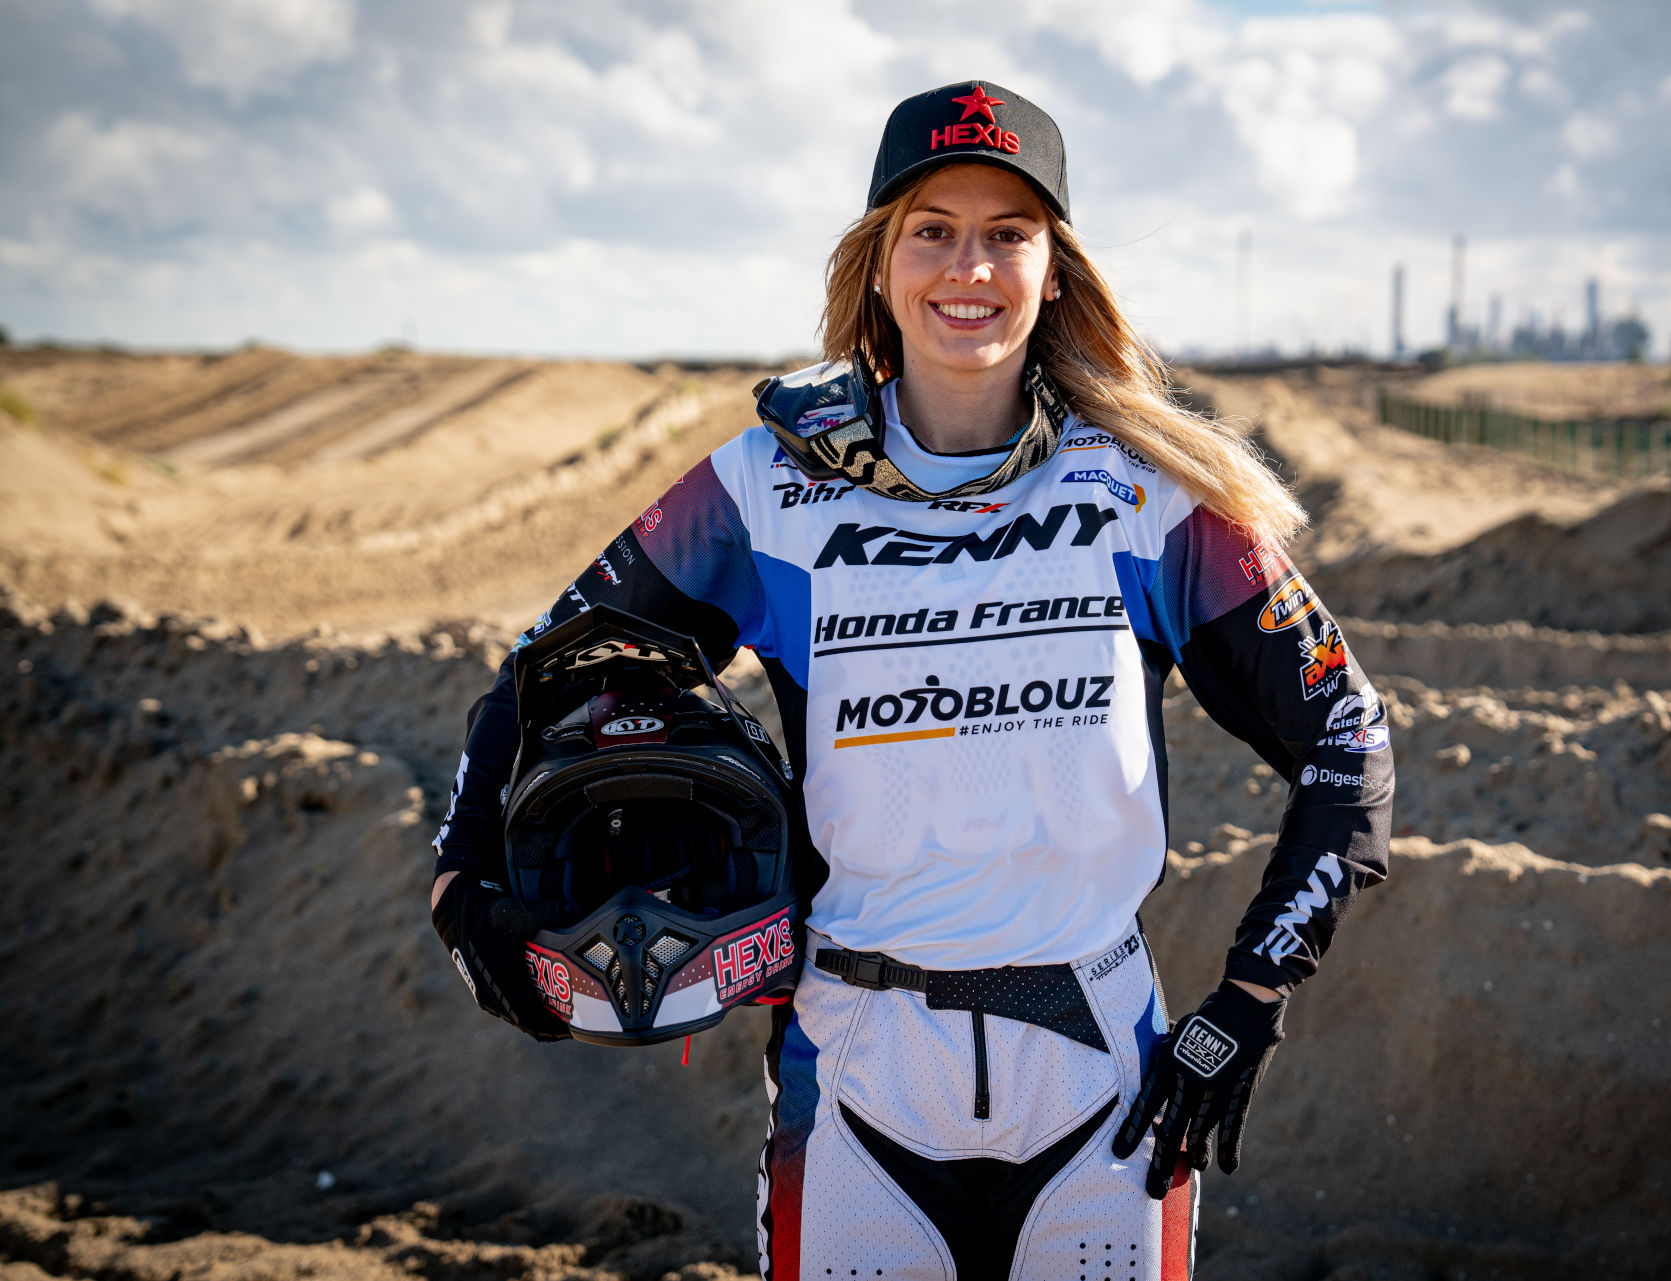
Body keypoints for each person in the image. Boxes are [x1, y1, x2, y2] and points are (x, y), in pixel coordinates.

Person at [430, 80, 1392, 1281]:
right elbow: (542, 675)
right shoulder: (767, 486)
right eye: (932, 229)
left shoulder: (1150, 493)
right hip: (854, 1063)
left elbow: (1347, 732)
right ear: (880, 263)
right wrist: (462, 884)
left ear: (1055, 270)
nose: (968, 267)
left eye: (1008, 234)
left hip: (1100, 1069)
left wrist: (1250, 1000)